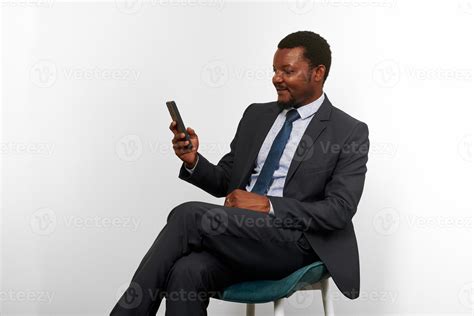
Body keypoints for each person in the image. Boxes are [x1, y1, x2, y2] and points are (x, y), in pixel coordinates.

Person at [111, 30, 369, 316]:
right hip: (241, 234)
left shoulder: (348, 131)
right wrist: (193, 160)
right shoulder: (257, 116)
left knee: (187, 215)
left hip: (295, 242)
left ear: (318, 73)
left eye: (288, 70)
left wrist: (269, 205)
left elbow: (340, 210)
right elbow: (226, 179)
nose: (276, 78)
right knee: (187, 270)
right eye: (274, 70)